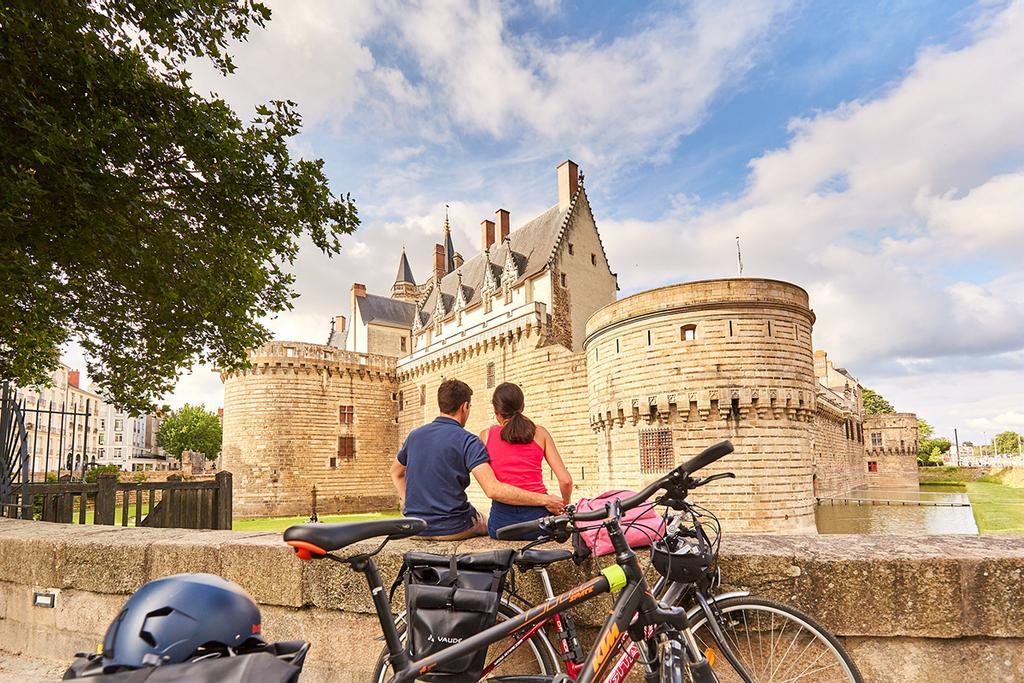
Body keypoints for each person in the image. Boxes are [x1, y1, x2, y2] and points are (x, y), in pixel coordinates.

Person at [390, 379, 564, 541]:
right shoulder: (468, 441)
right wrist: (546, 500)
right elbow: (493, 489)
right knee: (483, 521)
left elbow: (396, 472)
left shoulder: (414, 436)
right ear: (465, 407)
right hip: (452, 528)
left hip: (415, 526)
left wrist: (409, 503)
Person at [480, 382, 573, 540]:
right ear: (522, 406)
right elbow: (565, 481)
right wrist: (563, 507)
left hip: (501, 526)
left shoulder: (486, 436)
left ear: (496, 411)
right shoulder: (540, 433)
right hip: (539, 524)